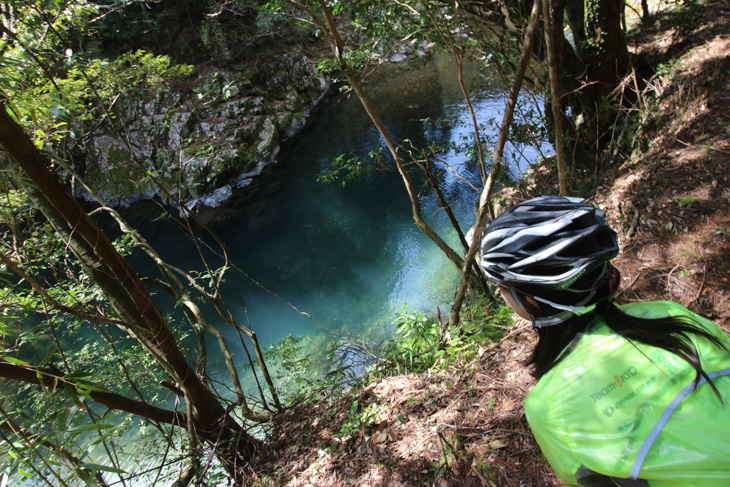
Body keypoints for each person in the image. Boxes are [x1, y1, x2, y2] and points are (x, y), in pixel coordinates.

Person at [479, 195, 730, 487]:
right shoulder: (670, 316)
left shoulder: (549, 407)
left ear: (532, 301)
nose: (503, 296)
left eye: (503, 289)